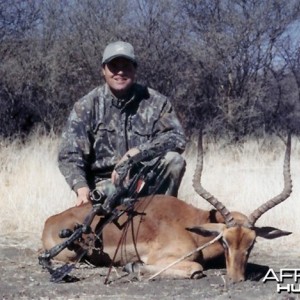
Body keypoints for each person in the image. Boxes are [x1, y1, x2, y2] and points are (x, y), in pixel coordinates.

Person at [58, 41, 186, 208]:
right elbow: (69, 155)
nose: (120, 72)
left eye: (126, 66)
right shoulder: (86, 106)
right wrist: (81, 189)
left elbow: (176, 138)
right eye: (113, 66)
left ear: (135, 70)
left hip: (144, 180)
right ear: (103, 70)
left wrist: (137, 153)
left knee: (175, 160)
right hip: (104, 186)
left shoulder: (156, 102)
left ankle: (165, 214)